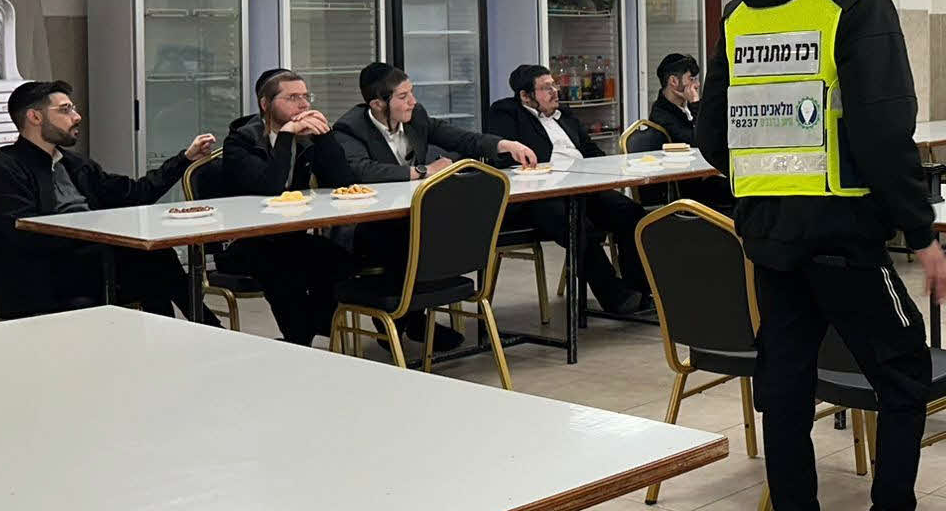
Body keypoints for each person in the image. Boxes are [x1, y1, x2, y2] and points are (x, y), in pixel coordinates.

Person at [695, 0, 946, 511]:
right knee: (904, 372)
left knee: (785, 391)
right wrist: (922, 234)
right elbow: (884, 133)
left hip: (769, 239)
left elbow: (713, 136)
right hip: (844, 236)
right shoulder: (857, 1)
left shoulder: (740, 14)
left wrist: (771, 186)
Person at [333, 63, 540, 352]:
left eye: (412, 92)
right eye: (403, 96)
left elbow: (462, 138)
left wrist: (506, 145)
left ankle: (415, 315)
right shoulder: (350, 128)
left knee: (437, 227)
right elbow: (361, 170)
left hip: (411, 214)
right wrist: (422, 171)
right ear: (378, 104)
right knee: (406, 235)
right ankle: (410, 319)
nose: (413, 101)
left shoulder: (416, 117)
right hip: (366, 225)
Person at [0, 80, 216, 320]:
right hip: (44, 280)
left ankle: (190, 332)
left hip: (93, 264)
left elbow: (133, 193)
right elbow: (23, 234)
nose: (76, 117)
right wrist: (100, 235)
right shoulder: (4, 170)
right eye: (65, 110)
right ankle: (204, 331)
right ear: (35, 117)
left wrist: (184, 159)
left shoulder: (75, 164)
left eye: (73, 109)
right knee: (152, 265)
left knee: (155, 260)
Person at [486, 63, 648, 317]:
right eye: (546, 88)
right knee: (577, 225)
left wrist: (604, 169)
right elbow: (506, 161)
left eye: (554, 85)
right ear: (525, 96)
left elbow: (590, 150)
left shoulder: (565, 115)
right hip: (539, 196)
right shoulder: (506, 114)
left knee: (631, 213)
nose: (555, 91)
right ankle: (615, 296)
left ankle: (640, 289)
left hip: (581, 188)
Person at [216, 68, 355, 345]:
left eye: (306, 97)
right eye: (292, 98)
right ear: (265, 104)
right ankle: (300, 339)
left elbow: (342, 182)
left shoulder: (306, 136)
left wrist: (325, 137)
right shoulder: (240, 141)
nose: (303, 105)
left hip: (290, 235)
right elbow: (270, 188)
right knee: (284, 271)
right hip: (246, 240)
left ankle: (312, 329)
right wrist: (286, 136)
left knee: (342, 262)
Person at [644, 53, 732, 211]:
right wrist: (695, 103)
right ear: (673, 81)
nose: (697, 85)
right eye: (692, 79)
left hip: (702, 176)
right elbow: (699, 140)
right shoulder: (661, 115)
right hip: (687, 188)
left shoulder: (685, 108)